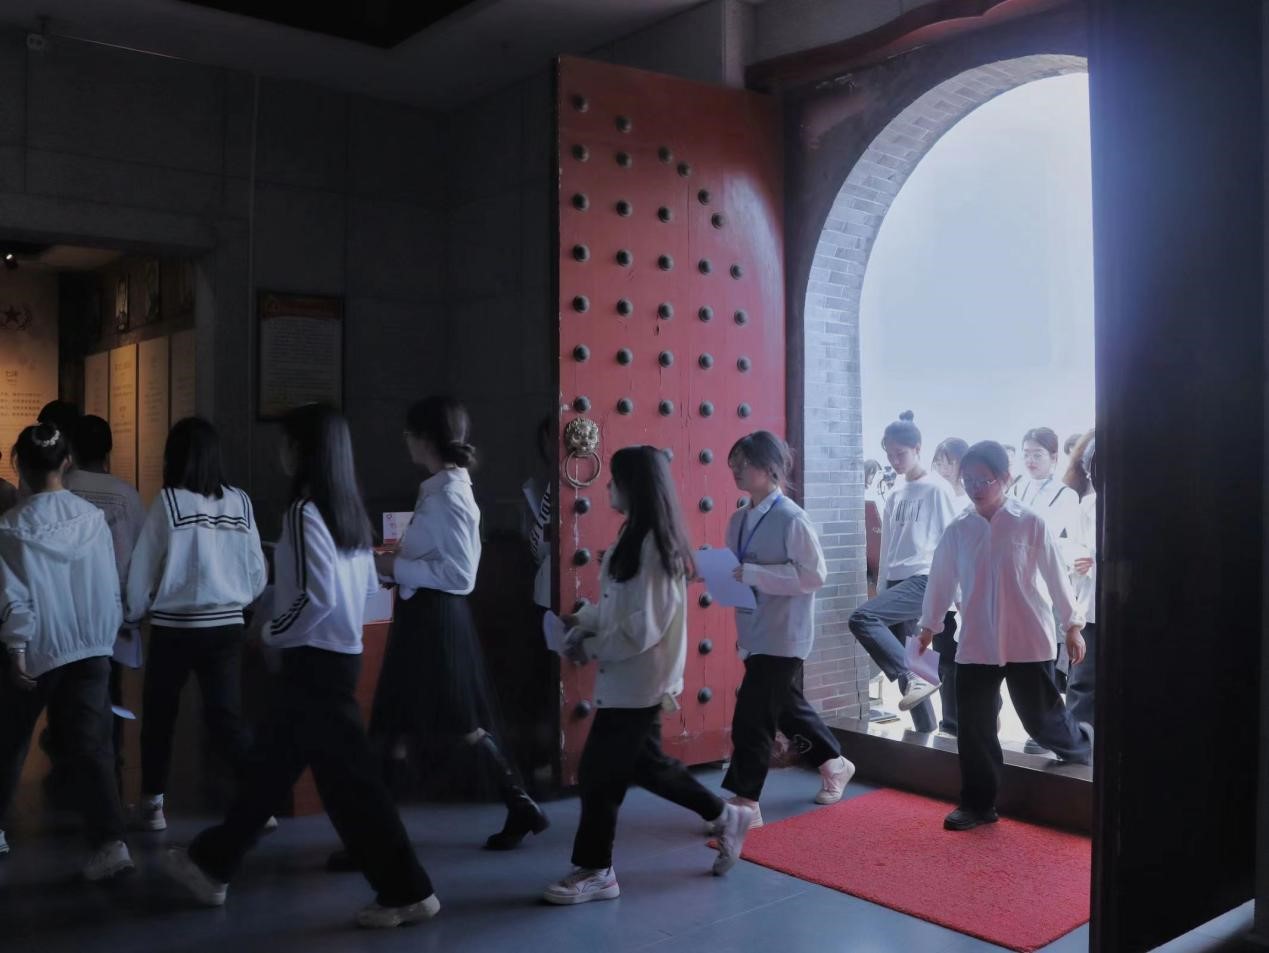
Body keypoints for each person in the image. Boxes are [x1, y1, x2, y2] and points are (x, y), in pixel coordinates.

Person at [164, 404, 439, 929]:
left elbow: (315, 597)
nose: (281, 453)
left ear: (303, 451)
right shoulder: (347, 511)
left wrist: (271, 631)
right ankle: (212, 864)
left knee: (349, 787)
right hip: (338, 659)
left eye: (286, 443)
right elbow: (358, 589)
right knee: (275, 772)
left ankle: (408, 890)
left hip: (313, 664)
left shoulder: (304, 513)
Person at [543, 447, 753, 905]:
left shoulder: (653, 545)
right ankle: (725, 816)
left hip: (640, 681)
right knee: (645, 765)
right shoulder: (634, 536)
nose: (607, 487)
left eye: (614, 479)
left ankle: (596, 870)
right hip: (631, 679)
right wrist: (583, 620)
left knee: (599, 773)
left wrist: (587, 646)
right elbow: (622, 610)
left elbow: (643, 628)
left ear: (632, 485)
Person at [369, 396, 547, 850]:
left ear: (426, 438)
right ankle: (374, 834)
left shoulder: (448, 495)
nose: (406, 440)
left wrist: (393, 567)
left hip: (436, 623)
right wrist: (398, 567)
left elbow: (461, 575)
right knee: (398, 724)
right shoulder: (439, 489)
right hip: (425, 618)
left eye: (410, 433)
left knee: (453, 723)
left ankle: (519, 804)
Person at [917, 440, 1093, 831]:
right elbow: (941, 581)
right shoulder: (958, 529)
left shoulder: (1029, 522)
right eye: (968, 479)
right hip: (976, 640)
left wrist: (1072, 625)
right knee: (974, 726)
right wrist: (929, 626)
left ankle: (1082, 743)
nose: (975, 487)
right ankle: (978, 804)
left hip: (1026, 637)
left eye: (984, 480)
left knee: (1040, 720)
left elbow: (1055, 576)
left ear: (1005, 479)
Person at [0, 422, 133, 878]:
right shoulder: (91, 518)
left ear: (19, 465)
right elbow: (107, 583)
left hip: (39, 647)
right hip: (91, 646)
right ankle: (110, 844)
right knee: (93, 746)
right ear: (67, 463)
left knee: (9, 740)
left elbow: (13, 597)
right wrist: (107, 636)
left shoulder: (10, 526)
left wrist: (16, 648)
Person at [124, 417, 268, 831]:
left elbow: (143, 569)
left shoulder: (169, 501)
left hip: (174, 627)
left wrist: (133, 612)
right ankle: (260, 801)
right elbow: (257, 569)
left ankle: (153, 806)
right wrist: (241, 599)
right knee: (226, 717)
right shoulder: (240, 502)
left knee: (160, 716)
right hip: (227, 625)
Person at [717, 431, 853, 826]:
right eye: (733, 464)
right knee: (786, 708)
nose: (737, 471)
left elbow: (814, 576)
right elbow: (736, 570)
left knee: (753, 716)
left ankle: (746, 801)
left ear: (771, 468)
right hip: (753, 629)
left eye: (744, 463)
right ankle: (834, 763)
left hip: (785, 633)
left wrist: (756, 574)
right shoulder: (738, 519)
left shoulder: (792, 518)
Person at [848, 412, 959, 732]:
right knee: (913, 671)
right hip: (897, 580)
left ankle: (912, 677)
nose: (895, 461)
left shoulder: (937, 489)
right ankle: (927, 733)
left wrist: (956, 594)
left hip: (925, 578)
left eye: (901, 454)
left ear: (918, 449)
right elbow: (887, 547)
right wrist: (883, 586)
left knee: (863, 618)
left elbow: (953, 541)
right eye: (889, 455)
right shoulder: (895, 492)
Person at [64, 415, 146, 792]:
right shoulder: (126, 494)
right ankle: (109, 758)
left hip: (69, 607)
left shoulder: (64, 487)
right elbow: (139, 552)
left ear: (72, 448)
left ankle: (69, 762)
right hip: (112, 609)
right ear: (109, 449)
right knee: (110, 690)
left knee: (68, 689)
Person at [928, 437, 972, 736]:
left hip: (966, 593)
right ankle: (950, 723)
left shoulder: (970, 501)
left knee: (968, 661)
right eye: (939, 461)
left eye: (950, 461)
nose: (944, 468)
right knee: (944, 660)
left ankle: (977, 717)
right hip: (943, 590)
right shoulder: (935, 496)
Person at [1063, 431, 1097, 727]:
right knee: (1083, 681)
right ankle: (1077, 744)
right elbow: (1068, 548)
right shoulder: (1084, 507)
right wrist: (1077, 560)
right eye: (1091, 468)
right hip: (1090, 608)